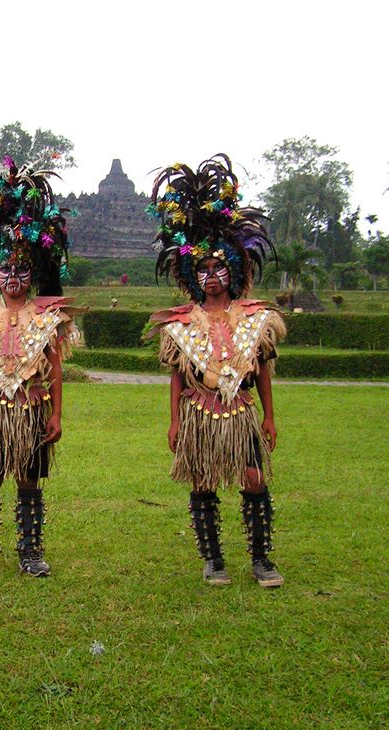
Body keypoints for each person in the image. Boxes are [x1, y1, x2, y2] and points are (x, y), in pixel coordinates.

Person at [145, 155, 287, 588]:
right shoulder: (181, 323)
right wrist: (173, 421)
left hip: (240, 408)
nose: (211, 276)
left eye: (219, 266)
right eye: (203, 269)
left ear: (235, 268)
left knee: (254, 479)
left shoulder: (253, 319)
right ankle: (213, 561)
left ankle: (261, 560)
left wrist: (268, 414)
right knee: (203, 482)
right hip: (198, 411)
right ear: (192, 273)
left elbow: (262, 368)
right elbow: (175, 374)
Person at [0, 159, 80, 577]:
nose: (12, 277)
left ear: (34, 271)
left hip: (31, 409)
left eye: (21, 269)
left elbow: (54, 368)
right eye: (5, 268)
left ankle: (30, 552)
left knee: (29, 479)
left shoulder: (47, 317)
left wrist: (57, 413)